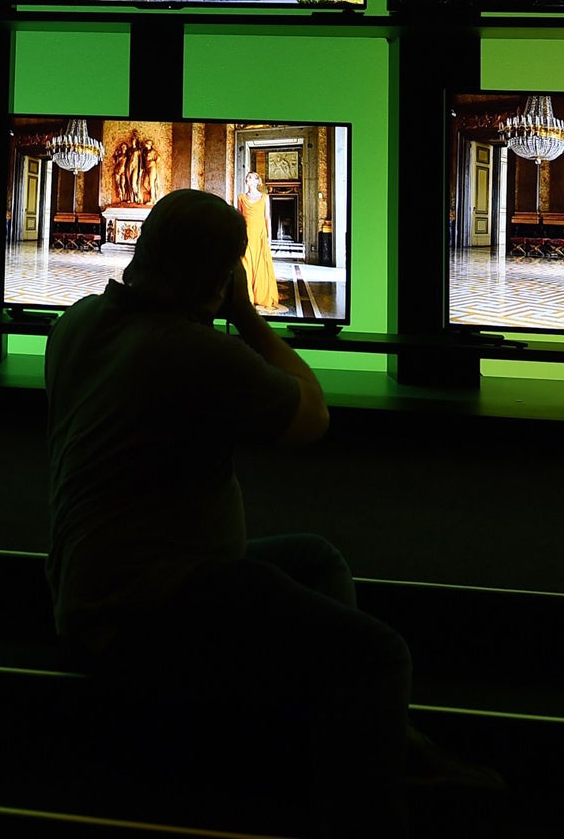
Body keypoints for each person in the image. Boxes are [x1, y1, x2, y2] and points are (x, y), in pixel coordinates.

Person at [44, 189, 497, 830]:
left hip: (88, 581)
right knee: (379, 652)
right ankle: (365, 811)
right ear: (224, 276)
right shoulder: (192, 350)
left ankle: (375, 735)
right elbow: (311, 417)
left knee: (313, 560)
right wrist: (252, 321)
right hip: (147, 604)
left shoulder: (78, 321)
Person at [237, 172, 282, 311]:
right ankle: (247, 297)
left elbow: (267, 217)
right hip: (246, 235)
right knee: (246, 264)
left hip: (260, 234)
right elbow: (238, 217)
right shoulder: (241, 197)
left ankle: (261, 296)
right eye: (247, 177)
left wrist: (269, 237)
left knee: (260, 264)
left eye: (252, 177)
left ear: (257, 181)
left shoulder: (264, 197)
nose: (249, 179)